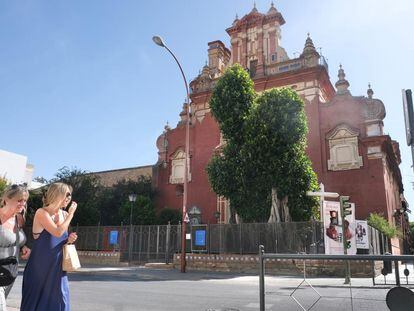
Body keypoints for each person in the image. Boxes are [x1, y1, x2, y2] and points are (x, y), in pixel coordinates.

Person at [21, 182, 78, 311]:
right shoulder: (41, 213)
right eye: (67, 194)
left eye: (70, 195)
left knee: (61, 300)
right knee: (34, 303)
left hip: (57, 267)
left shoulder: (64, 214)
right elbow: (57, 232)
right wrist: (71, 215)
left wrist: (69, 240)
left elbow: (60, 239)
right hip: (39, 268)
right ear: (57, 194)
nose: (69, 198)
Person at [0, 184, 31, 311]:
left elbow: (16, 238)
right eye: (19, 200)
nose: (23, 204)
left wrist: (24, 246)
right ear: (6, 199)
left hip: (10, 273)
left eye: (25, 201)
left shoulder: (19, 218)